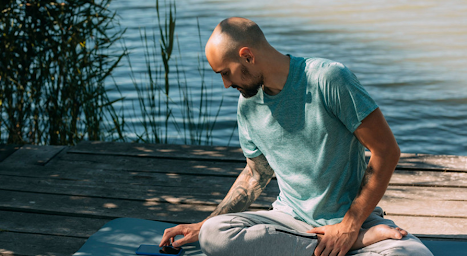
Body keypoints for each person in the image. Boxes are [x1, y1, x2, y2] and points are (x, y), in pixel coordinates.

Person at [160, 17, 433, 256]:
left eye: (225, 73)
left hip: (351, 219)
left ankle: (347, 240)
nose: (226, 84)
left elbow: (386, 151)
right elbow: (256, 175)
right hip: (288, 221)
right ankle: (354, 245)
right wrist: (204, 223)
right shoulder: (248, 106)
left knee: (412, 253)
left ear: (247, 56)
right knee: (214, 234)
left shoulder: (329, 79)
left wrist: (350, 227)